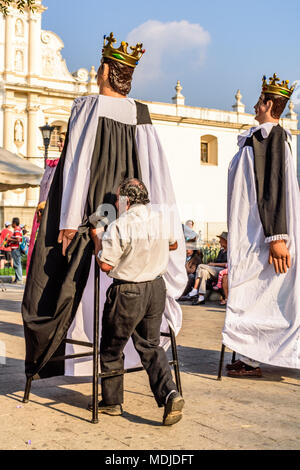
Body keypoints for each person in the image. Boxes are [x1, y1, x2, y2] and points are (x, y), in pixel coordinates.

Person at [22, 33, 186, 384]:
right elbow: (157, 174)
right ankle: (127, 374)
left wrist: (67, 222)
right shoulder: (142, 113)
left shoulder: (87, 106)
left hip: (95, 214)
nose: (98, 71)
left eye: (101, 66)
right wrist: (161, 224)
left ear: (107, 70)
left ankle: (69, 361)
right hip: (131, 215)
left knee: (63, 286)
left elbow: (77, 166)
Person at [89, 178, 184, 425]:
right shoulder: (160, 219)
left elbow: (105, 264)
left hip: (128, 291)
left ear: (126, 200)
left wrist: (97, 238)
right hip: (156, 289)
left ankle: (111, 403)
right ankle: (170, 394)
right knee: (151, 345)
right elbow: (173, 244)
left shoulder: (121, 225)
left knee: (111, 347)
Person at [223, 74, 300, 377]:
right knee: (256, 295)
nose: (255, 105)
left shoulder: (273, 137)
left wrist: (276, 237)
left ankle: (253, 357)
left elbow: (275, 188)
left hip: (263, 236)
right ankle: (249, 355)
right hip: (253, 233)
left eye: (259, 100)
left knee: (261, 295)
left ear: (269, 104)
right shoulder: (260, 138)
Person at [183, 232, 228, 305]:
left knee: (201, 266)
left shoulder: (230, 251)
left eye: (221, 240)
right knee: (203, 271)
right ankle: (201, 297)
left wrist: (214, 264)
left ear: (225, 241)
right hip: (215, 271)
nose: (219, 241)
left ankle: (194, 290)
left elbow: (228, 264)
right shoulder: (221, 251)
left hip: (223, 271)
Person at [9, 218, 23, 284]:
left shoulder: (17, 229)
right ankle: (17, 278)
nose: (11, 224)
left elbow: (18, 240)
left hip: (15, 249)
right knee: (16, 264)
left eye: (12, 222)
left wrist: (10, 239)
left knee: (17, 264)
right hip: (15, 249)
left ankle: (19, 279)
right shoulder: (18, 229)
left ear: (14, 223)